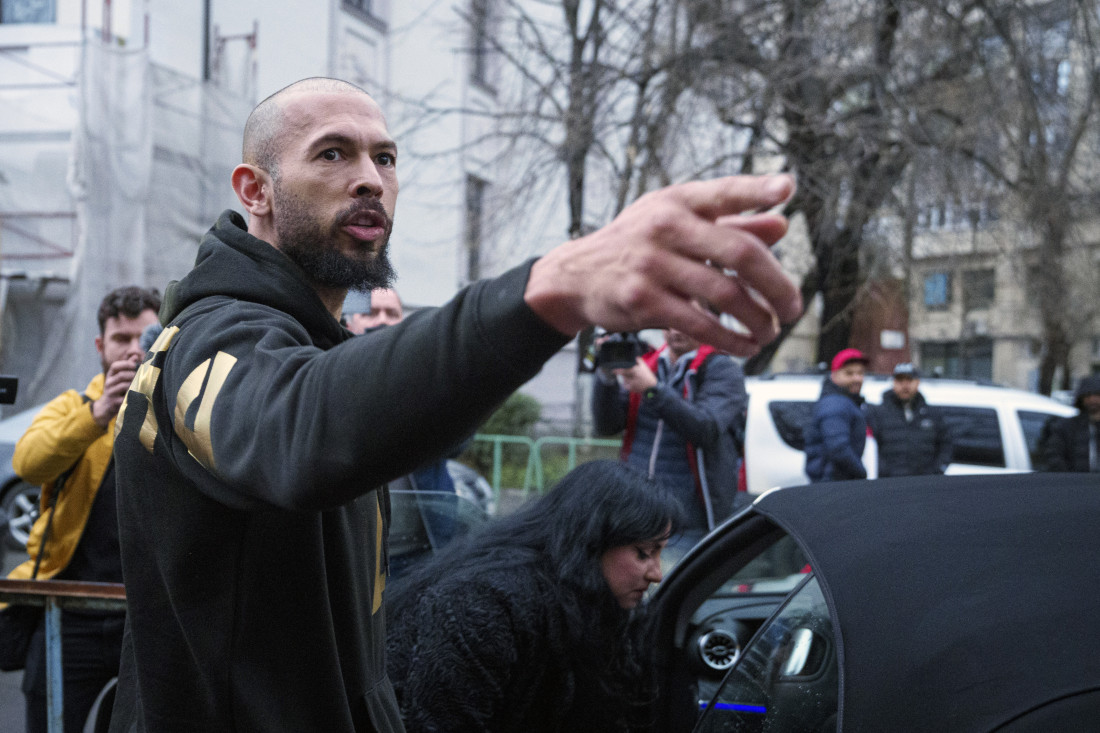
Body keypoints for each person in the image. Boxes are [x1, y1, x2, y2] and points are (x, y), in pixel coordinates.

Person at [107, 77, 802, 732]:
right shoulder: (213, 336)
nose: (371, 179)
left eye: (385, 157)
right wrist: (549, 290)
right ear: (254, 189)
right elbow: (302, 427)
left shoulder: (309, 342)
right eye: (332, 153)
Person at [386, 459, 683, 733]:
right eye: (644, 553)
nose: (656, 574)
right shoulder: (485, 602)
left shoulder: (587, 603)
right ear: (593, 541)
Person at [7, 286, 159, 733]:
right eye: (120, 338)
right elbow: (29, 463)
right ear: (100, 346)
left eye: (143, 337)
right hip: (70, 611)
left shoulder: (175, 412)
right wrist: (98, 415)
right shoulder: (74, 407)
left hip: (144, 614)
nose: (132, 350)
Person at [591, 305, 748, 540]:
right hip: (636, 512)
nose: (675, 331)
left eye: (685, 323)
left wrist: (652, 390)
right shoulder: (647, 363)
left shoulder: (723, 370)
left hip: (687, 522)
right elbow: (607, 426)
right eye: (669, 322)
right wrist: (606, 376)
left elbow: (705, 428)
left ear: (709, 325)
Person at [867, 363, 952, 477]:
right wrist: (883, 472)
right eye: (900, 380)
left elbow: (946, 444)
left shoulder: (932, 414)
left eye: (909, 380)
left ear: (918, 382)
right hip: (890, 485)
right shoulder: (878, 413)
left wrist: (937, 471)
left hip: (924, 484)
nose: (905, 385)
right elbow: (871, 448)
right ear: (893, 383)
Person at [803, 348, 869, 483]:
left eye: (860, 373)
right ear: (834, 375)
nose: (856, 378)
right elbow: (838, 448)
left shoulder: (844, 401)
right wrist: (861, 473)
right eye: (849, 373)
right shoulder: (836, 404)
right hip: (833, 483)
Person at [1041, 374, 1100, 472]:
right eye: (1088, 395)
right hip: (1075, 484)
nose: (1092, 399)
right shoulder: (1065, 427)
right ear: (1081, 398)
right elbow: (1054, 457)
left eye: (1097, 394)